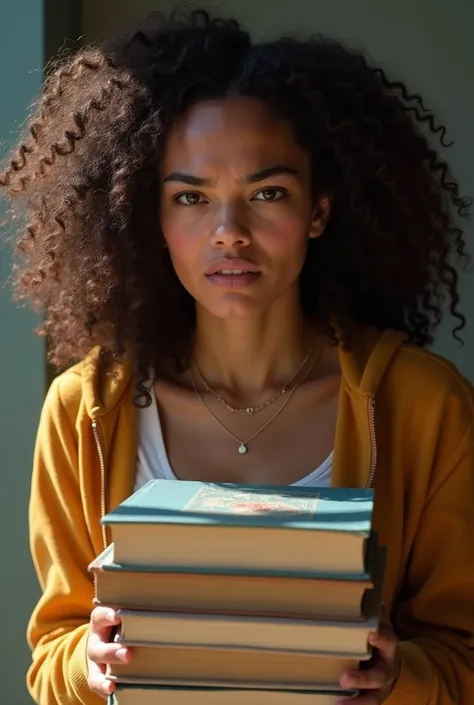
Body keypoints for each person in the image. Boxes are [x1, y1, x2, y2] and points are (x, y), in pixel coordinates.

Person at [1, 7, 473, 705]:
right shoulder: (84, 409)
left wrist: (401, 677)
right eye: (191, 197)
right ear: (151, 217)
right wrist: (86, 662)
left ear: (318, 209)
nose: (230, 232)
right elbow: (52, 654)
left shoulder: (425, 405)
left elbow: (462, 658)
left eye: (268, 193)